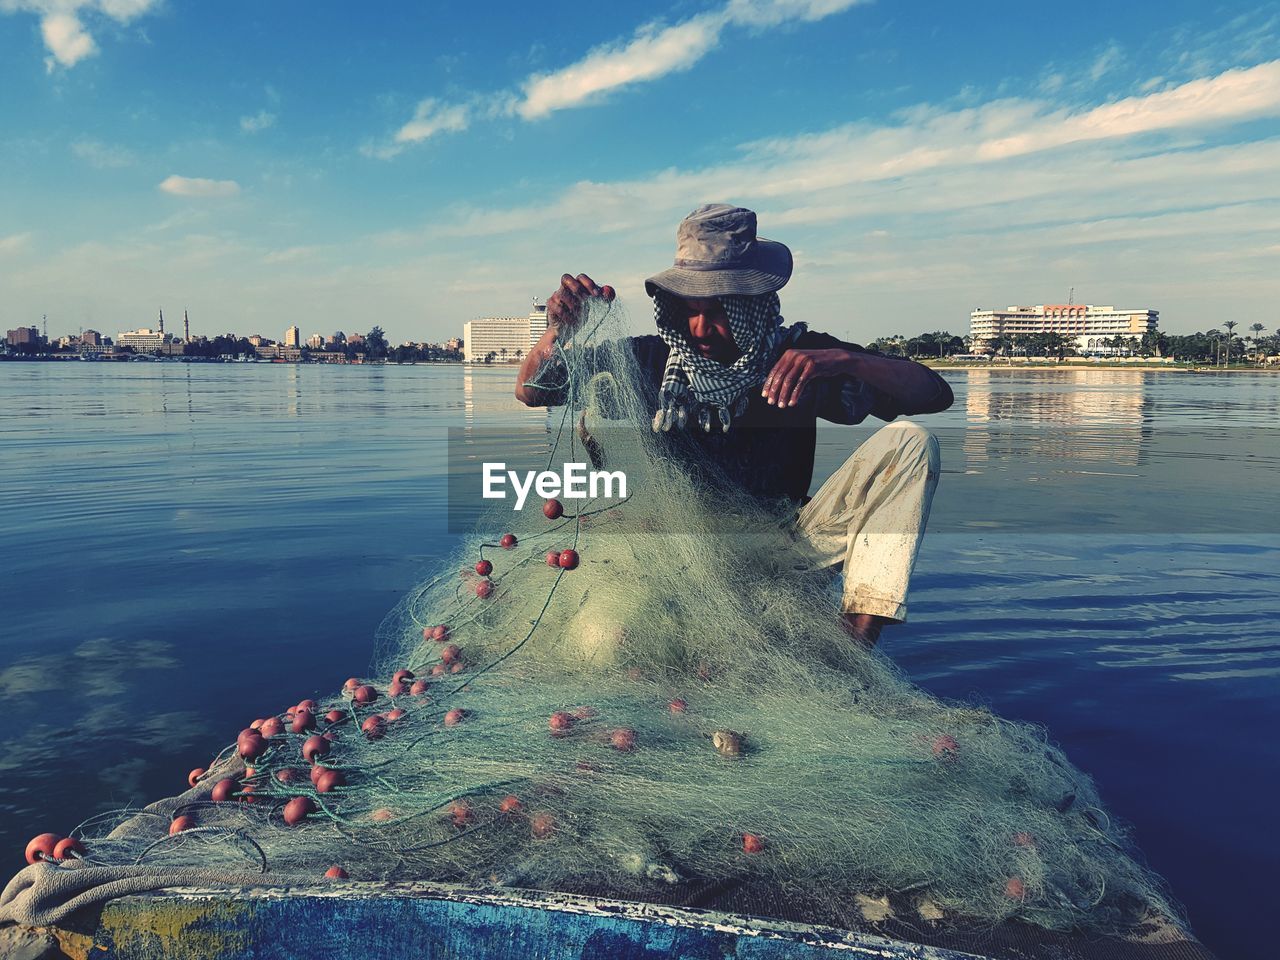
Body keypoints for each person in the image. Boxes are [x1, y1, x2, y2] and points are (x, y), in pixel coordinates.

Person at [516, 203, 953, 647]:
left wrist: (843, 360)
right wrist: (558, 330)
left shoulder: (801, 358)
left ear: (754, 305)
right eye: (689, 310)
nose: (701, 328)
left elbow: (934, 394)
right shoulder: (649, 360)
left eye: (719, 310)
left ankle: (855, 644)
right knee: (602, 639)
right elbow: (533, 391)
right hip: (682, 556)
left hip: (787, 546)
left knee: (911, 443)